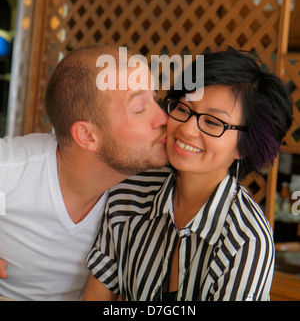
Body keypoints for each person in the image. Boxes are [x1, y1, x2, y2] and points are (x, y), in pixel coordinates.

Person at [83, 48, 293, 301]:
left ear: (244, 147)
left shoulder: (247, 238)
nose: (187, 129)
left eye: (213, 122)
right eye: (183, 109)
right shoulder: (128, 194)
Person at [0, 44, 168, 301]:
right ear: (87, 135)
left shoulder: (151, 192)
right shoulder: (13, 172)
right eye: (139, 109)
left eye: (155, 100)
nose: (164, 118)